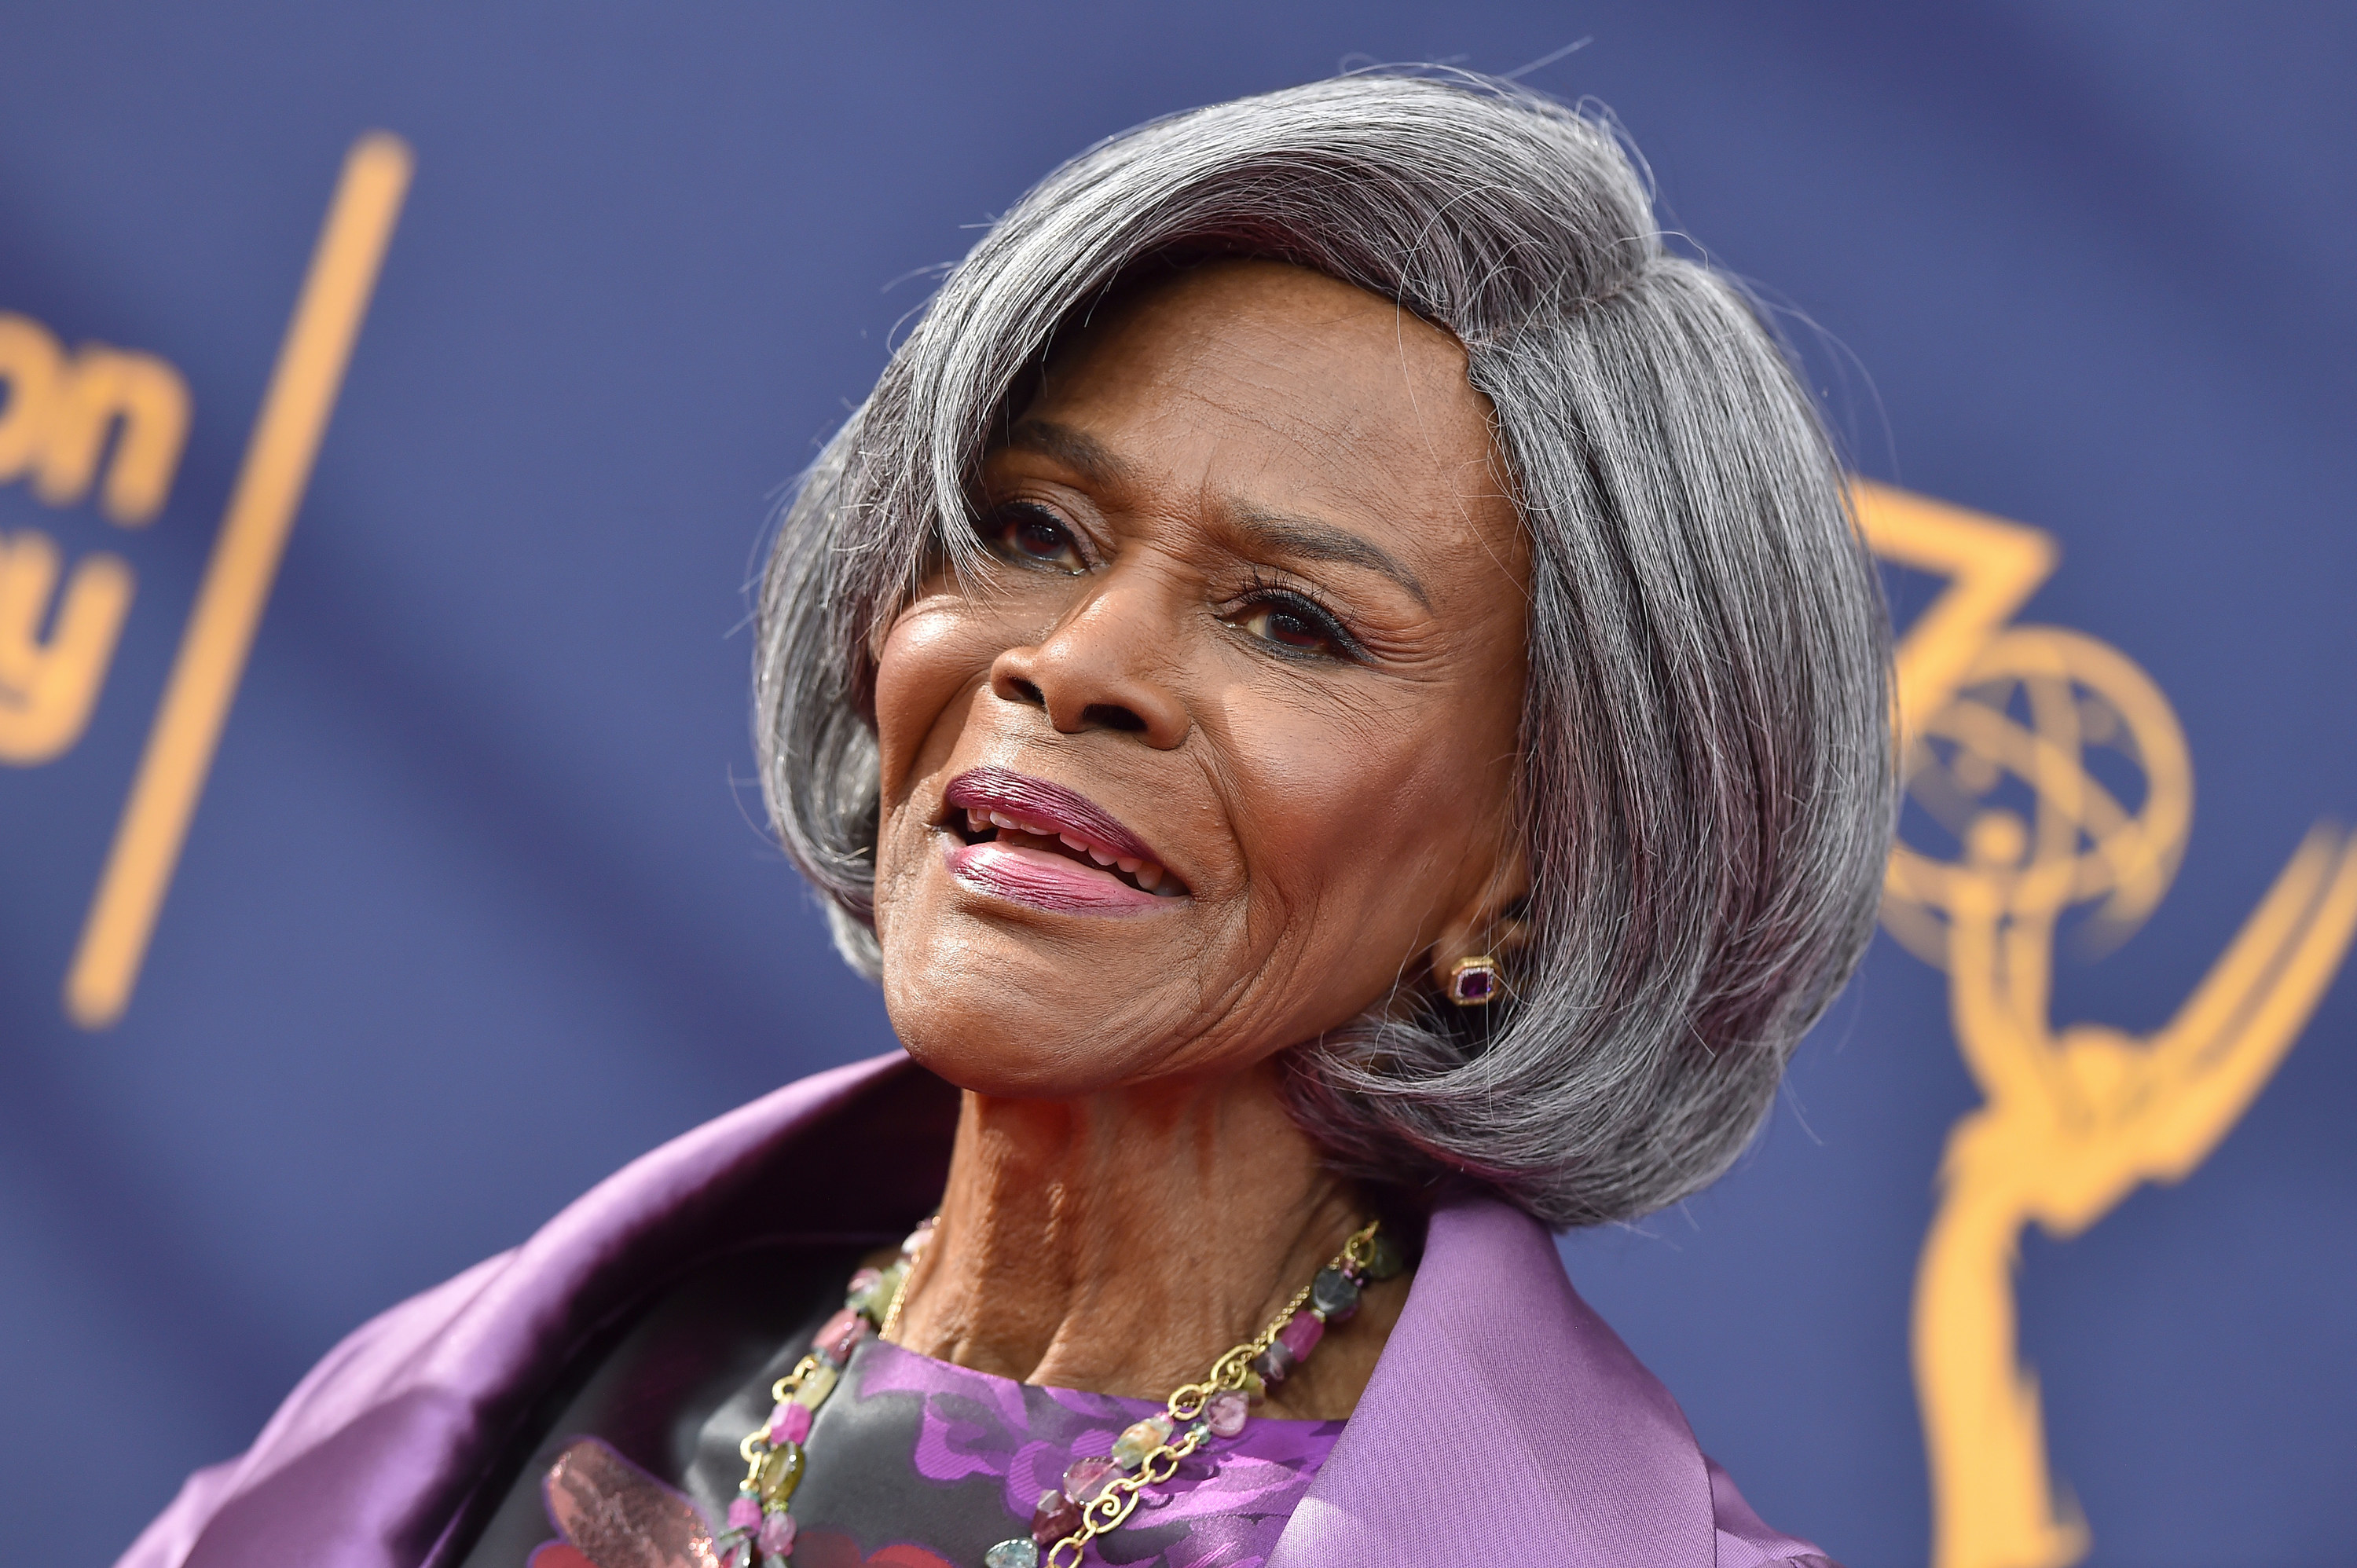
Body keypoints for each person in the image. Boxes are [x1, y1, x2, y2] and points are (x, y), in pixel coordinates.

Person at [120, 70, 1890, 1568]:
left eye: (1295, 617)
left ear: (1540, 859)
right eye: (1034, 527)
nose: (1075, 658)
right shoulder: (496, 1386)